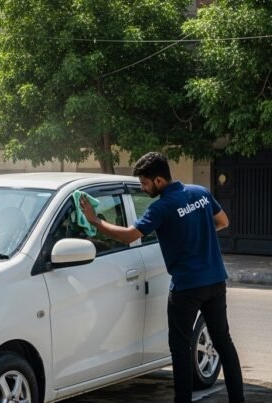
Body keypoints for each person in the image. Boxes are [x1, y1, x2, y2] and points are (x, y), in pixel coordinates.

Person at [79, 152, 244, 403]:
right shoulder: (200, 192)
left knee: (180, 349)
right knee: (223, 341)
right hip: (215, 281)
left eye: (145, 183)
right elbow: (223, 221)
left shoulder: (162, 207)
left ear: (158, 181)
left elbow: (129, 236)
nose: (143, 188)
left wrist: (96, 221)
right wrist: (197, 231)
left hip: (187, 287)